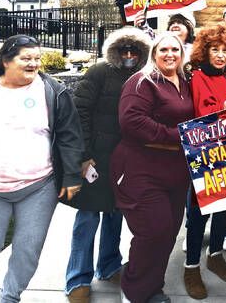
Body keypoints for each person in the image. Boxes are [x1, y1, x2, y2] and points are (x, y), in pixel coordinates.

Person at [0, 35, 84, 303]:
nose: (34, 63)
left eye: (37, 58)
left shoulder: (52, 90)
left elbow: (70, 135)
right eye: (26, 58)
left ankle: (10, 296)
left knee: (27, 250)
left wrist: (70, 176)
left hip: (38, 187)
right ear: (7, 61)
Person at [63, 27, 151, 303]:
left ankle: (110, 264)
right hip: (96, 157)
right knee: (88, 218)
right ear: (114, 51)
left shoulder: (144, 77)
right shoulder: (99, 72)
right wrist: (84, 153)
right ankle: (78, 277)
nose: (128, 55)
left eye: (134, 51)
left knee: (116, 214)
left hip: (126, 160)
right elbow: (80, 110)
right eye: (123, 50)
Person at [110, 32, 194, 303]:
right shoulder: (142, 81)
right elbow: (132, 121)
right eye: (163, 49)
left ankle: (152, 287)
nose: (170, 54)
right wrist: (178, 136)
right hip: (140, 169)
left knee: (168, 233)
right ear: (154, 53)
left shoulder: (184, 81)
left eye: (175, 50)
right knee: (152, 232)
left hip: (175, 172)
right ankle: (133, 291)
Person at [181, 24, 226, 299]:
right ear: (204, 51)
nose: (220, 55)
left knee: (224, 208)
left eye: (225, 50)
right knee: (198, 214)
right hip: (204, 154)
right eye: (215, 50)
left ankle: (215, 254)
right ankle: (191, 266)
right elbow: (200, 115)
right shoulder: (197, 77)